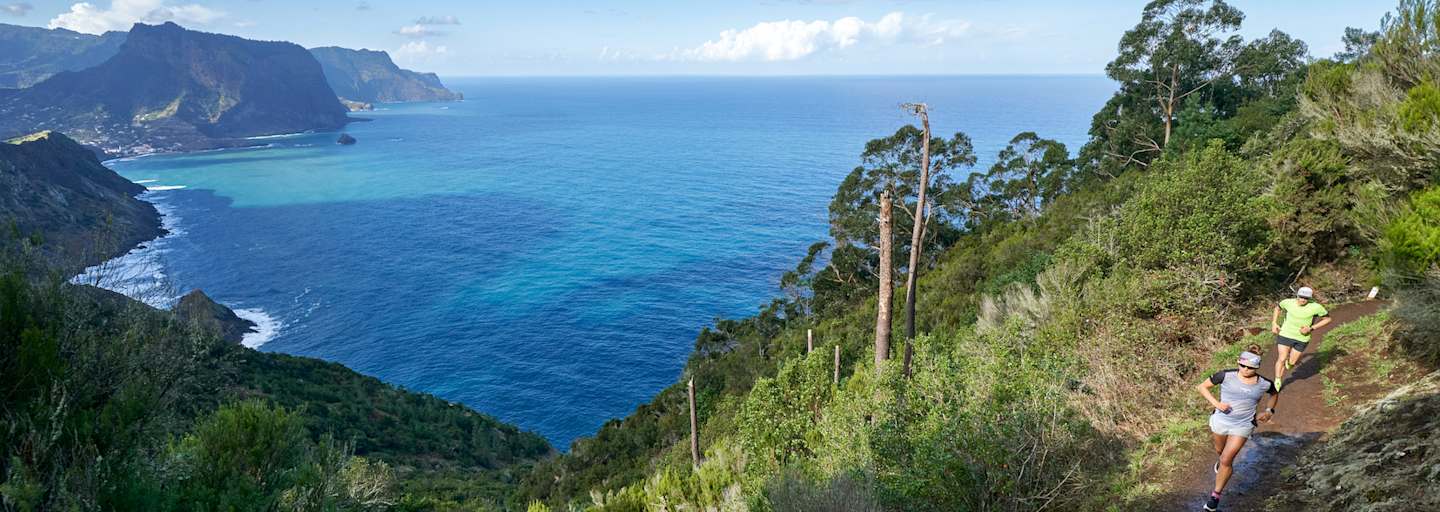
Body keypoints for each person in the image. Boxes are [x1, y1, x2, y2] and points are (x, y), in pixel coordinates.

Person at [1196, 345, 1279, 512]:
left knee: (1227, 459)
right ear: (1238, 362)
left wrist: (1269, 411)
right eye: (1243, 365)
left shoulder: (1264, 383)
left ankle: (1215, 497)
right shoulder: (1225, 375)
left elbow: (1275, 394)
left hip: (1243, 425)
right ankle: (1221, 464)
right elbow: (1202, 387)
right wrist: (1217, 404)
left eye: (1250, 367)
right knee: (1220, 451)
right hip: (1220, 421)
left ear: (1257, 367)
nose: (1246, 369)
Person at [1270, 286, 1331, 391]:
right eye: (1301, 297)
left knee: (1292, 363)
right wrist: (1274, 323)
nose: (1303, 300)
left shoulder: (1316, 307)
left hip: (1302, 338)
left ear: (1310, 298)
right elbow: (1277, 308)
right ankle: (1278, 380)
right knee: (1282, 358)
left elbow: (1328, 319)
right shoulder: (1287, 302)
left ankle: (1289, 363)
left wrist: (1311, 328)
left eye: (1306, 298)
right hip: (1286, 334)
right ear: (1297, 295)